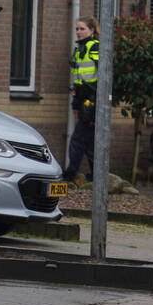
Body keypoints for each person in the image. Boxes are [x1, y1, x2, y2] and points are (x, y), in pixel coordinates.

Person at [62, 15, 99, 183]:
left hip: (92, 98)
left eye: (82, 28)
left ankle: (70, 174)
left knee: (78, 138)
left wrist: (94, 101)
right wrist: (76, 101)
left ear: (92, 30)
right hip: (82, 96)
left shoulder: (94, 47)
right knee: (89, 139)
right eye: (77, 29)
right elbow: (78, 78)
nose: (78, 32)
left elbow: (104, 74)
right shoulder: (79, 49)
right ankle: (96, 175)